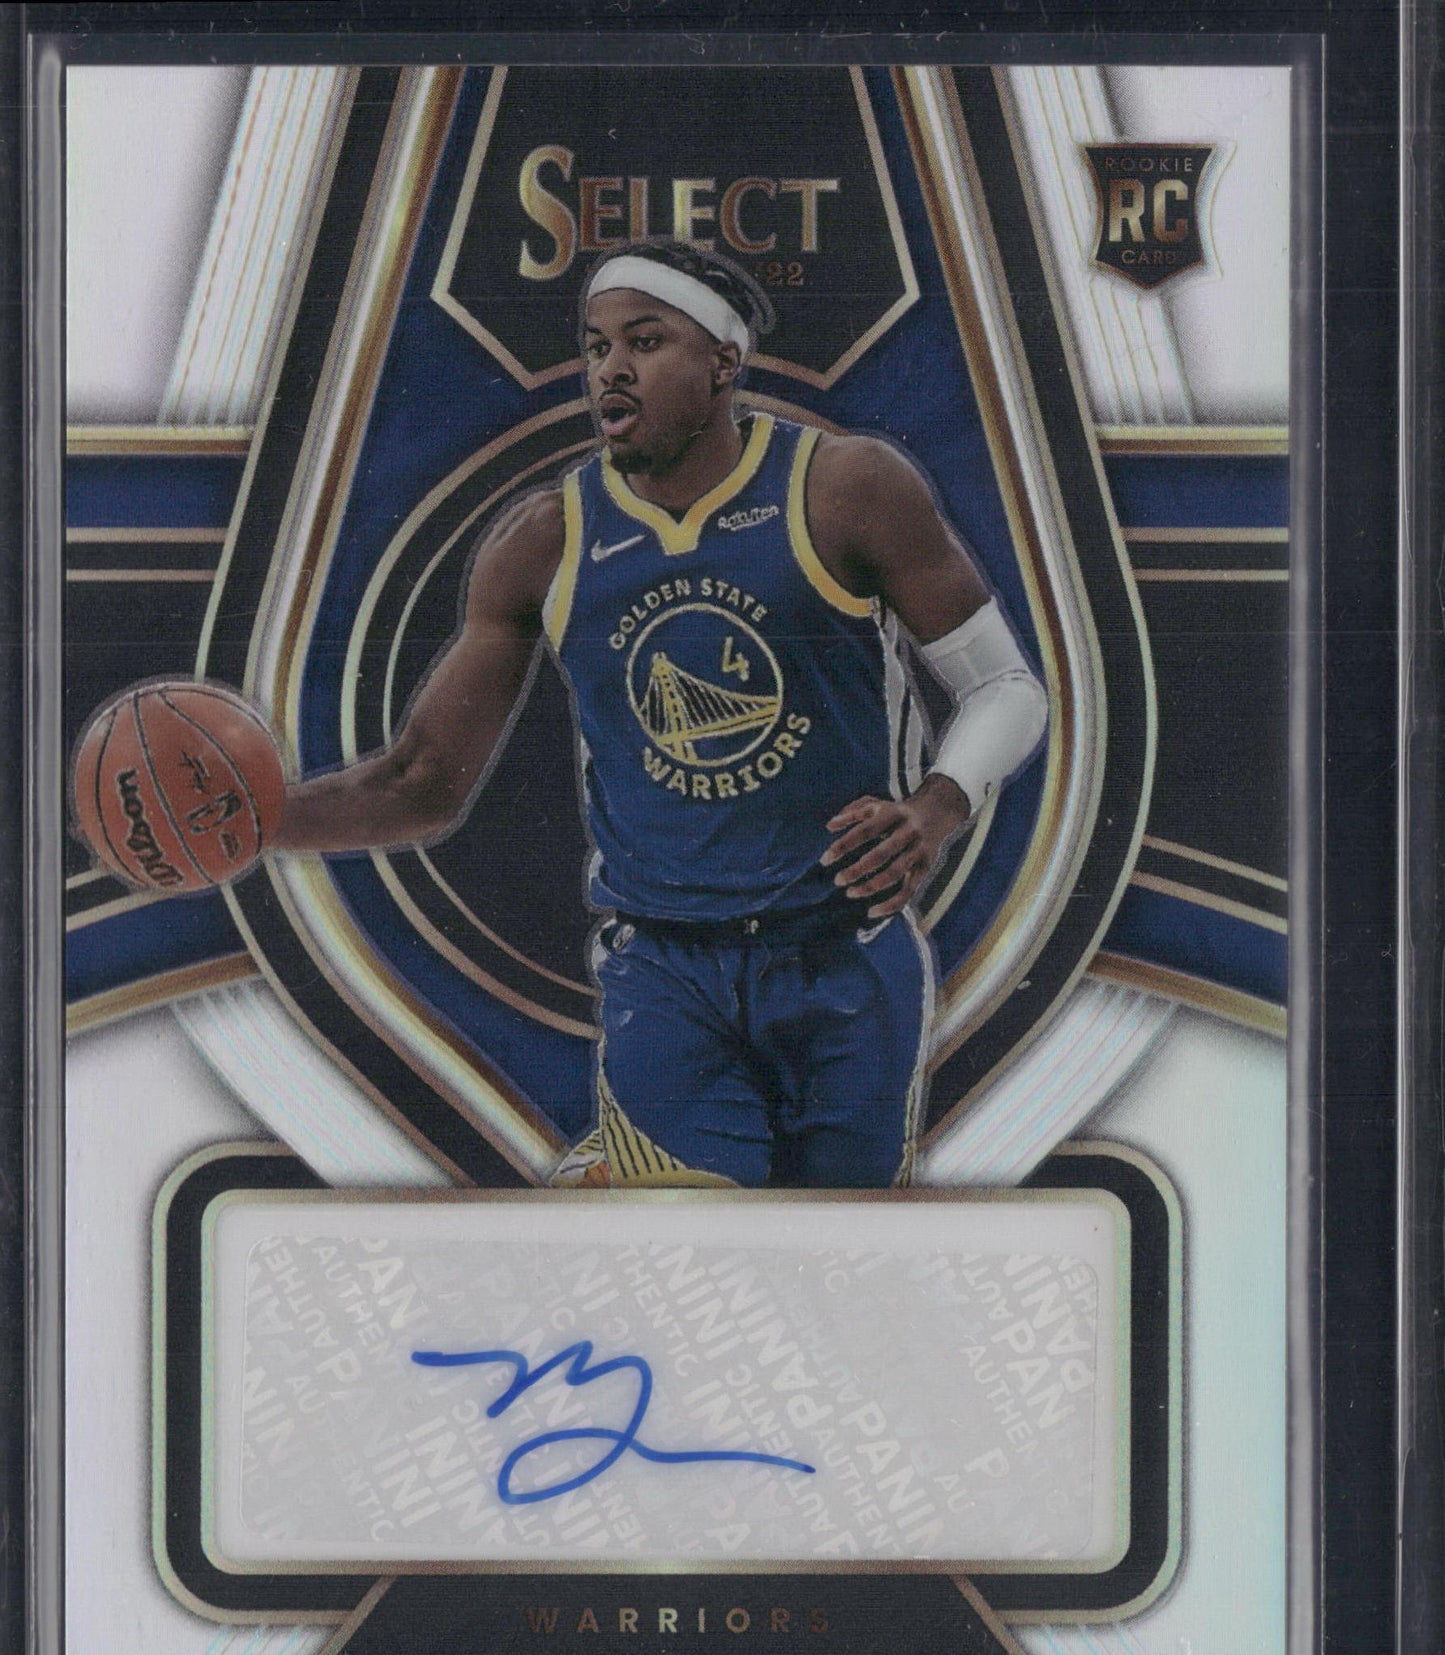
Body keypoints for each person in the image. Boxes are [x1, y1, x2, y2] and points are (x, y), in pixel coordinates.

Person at [274, 239, 1047, 1189]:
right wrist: (251, 824)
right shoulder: (545, 539)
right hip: (664, 970)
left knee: (828, 1258)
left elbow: (1006, 688)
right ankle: (623, 1182)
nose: (611, 368)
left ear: (723, 361)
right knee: (688, 1243)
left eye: (645, 341)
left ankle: (609, 1181)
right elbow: (420, 781)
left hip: (845, 953)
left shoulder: (845, 486)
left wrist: (936, 806)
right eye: (596, 346)